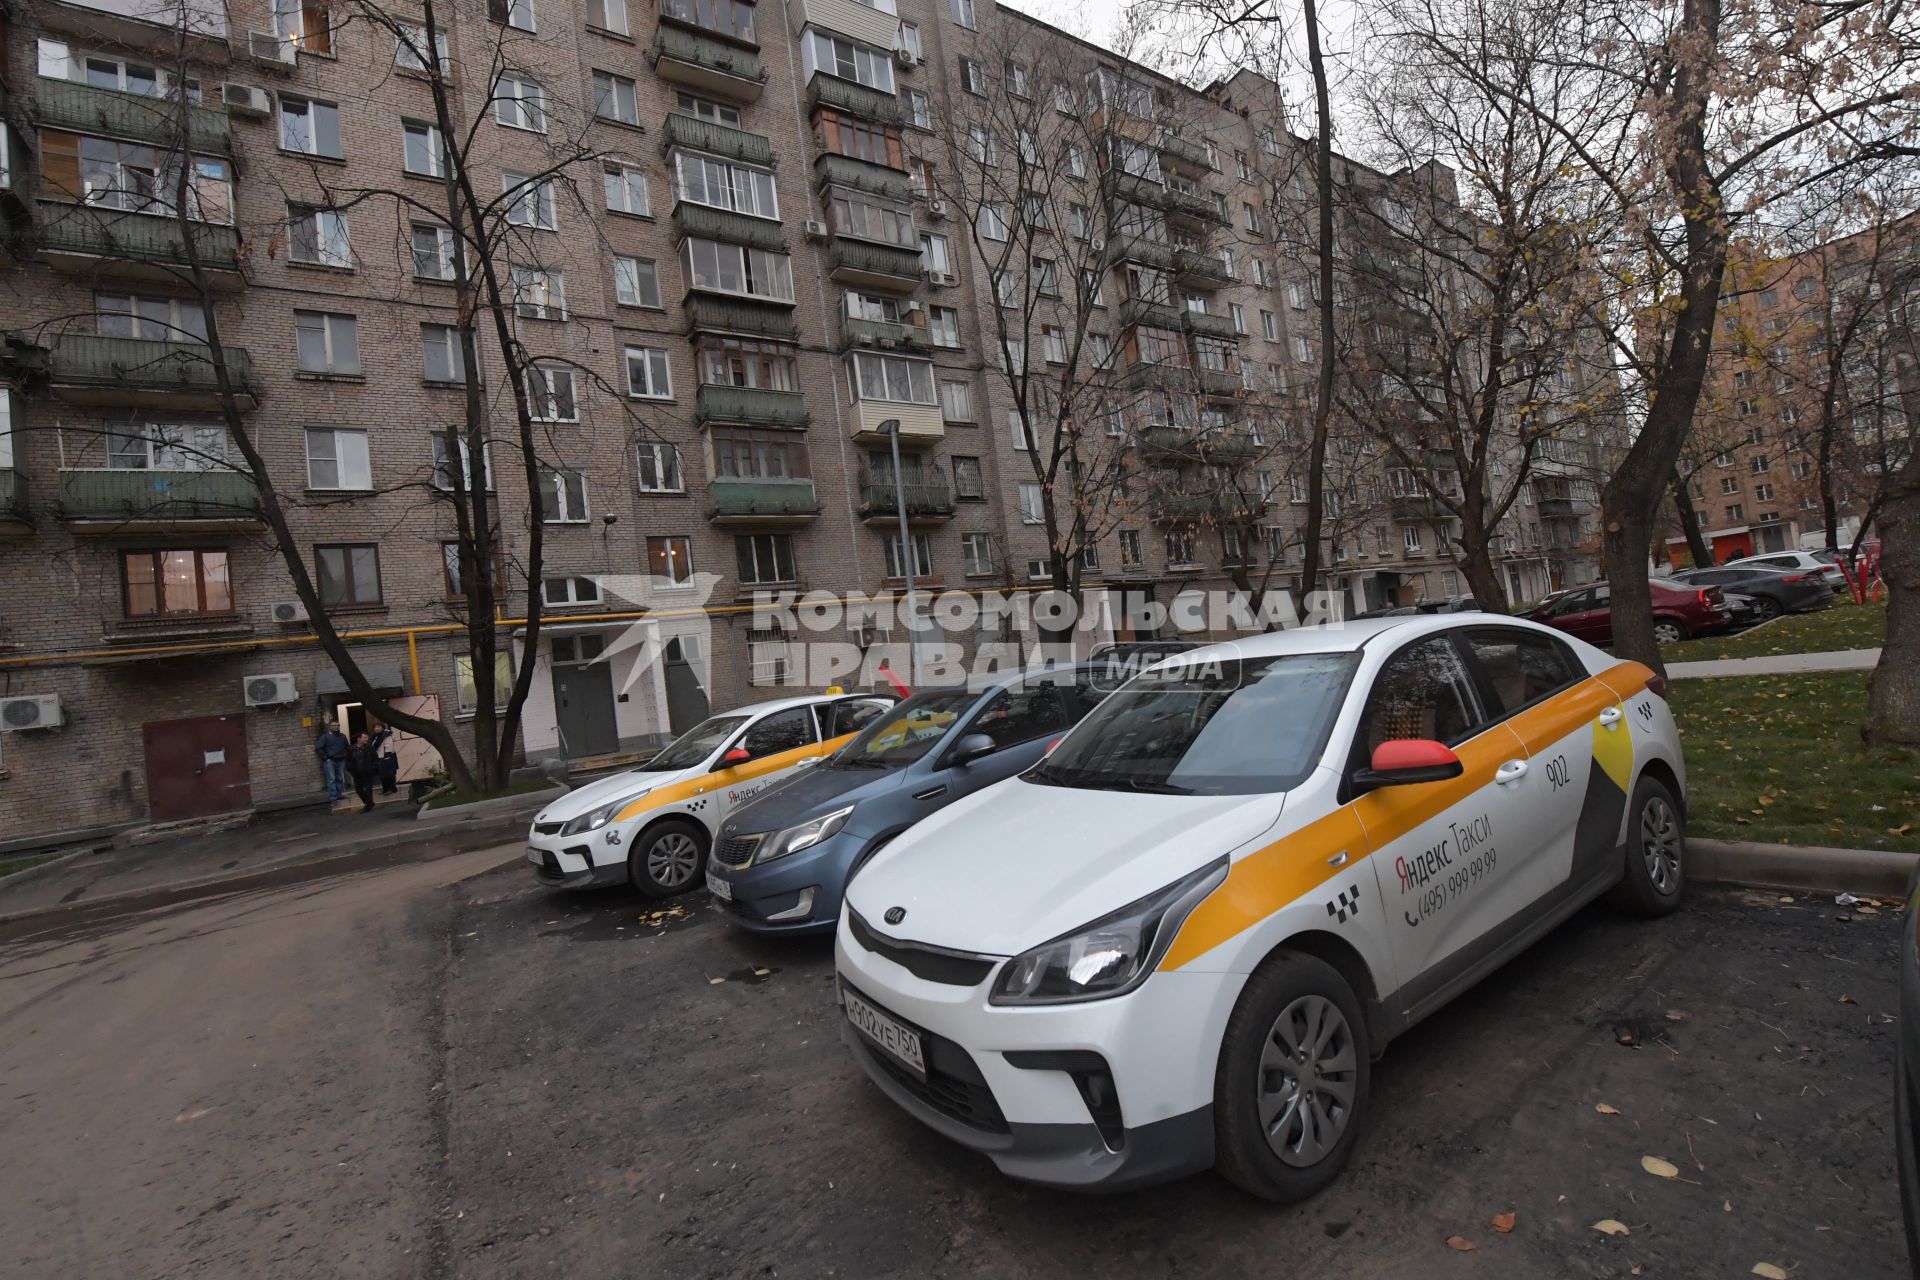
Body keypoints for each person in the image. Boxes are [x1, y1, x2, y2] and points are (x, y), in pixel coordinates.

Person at [314, 722, 350, 803]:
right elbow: (318, 748)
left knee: (340, 778)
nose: (336, 727)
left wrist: (345, 755)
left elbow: (347, 747)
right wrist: (325, 758)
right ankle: (333, 798)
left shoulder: (342, 736)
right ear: (330, 727)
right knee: (332, 779)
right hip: (330, 761)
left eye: (338, 725)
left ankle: (339, 795)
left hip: (341, 760)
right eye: (334, 725)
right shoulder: (325, 737)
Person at [346, 732, 379, 813]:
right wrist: (351, 770)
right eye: (364, 737)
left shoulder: (369, 748)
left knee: (368, 790)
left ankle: (368, 806)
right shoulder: (351, 749)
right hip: (357, 773)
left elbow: (375, 759)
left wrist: (373, 768)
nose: (366, 739)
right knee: (358, 790)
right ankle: (369, 803)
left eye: (367, 737)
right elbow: (348, 761)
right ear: (359, 739)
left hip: (367, 772)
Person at [369, 724, 400, 795]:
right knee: (381, 774)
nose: (376, 729)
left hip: (386, 757)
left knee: (389, 774)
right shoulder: (375, 736)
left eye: (378, 727)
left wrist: (387, 756)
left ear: (382, 728)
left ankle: (391, 789)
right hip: (379, 757)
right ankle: (385, 789)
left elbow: (388, 745)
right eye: (375, 727)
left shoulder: (386, 735)